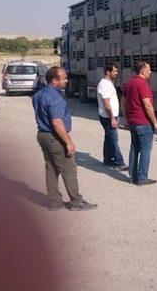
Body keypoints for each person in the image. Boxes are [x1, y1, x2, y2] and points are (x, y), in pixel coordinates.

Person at [32, 66, 97, 211]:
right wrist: (68, 143)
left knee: (51, 168)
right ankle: (76, 201)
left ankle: (55, 202)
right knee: (69, 169)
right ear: (55, 80)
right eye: (64, 78)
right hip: (55, 137)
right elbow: (57, 122)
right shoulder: (56, 98)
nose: (67, 81)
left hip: (42, 134)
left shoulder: (39, 94)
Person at [121, 62, 157, 186]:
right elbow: (147, 105)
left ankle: (133, 176)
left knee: (134, 148)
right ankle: (142, 178)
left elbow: (123, 102)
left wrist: (127, 118)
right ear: (143, 71)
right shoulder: (143, 85)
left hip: (133, 122)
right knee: (145, 150)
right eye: (149, 70)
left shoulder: (129, 84)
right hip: (143, 123)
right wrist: (155, 122)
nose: (150, 72)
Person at [97, 62, 127, 170]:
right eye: (114, 71)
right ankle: (120, 162)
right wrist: (112, 118)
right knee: (114, 139)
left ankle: (108, 159)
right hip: (108, 117)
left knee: (109, 138)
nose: (116, 73)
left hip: (109, 116)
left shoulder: (108, 83)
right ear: (108, 72)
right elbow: (106, 103)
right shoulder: (104, 84)